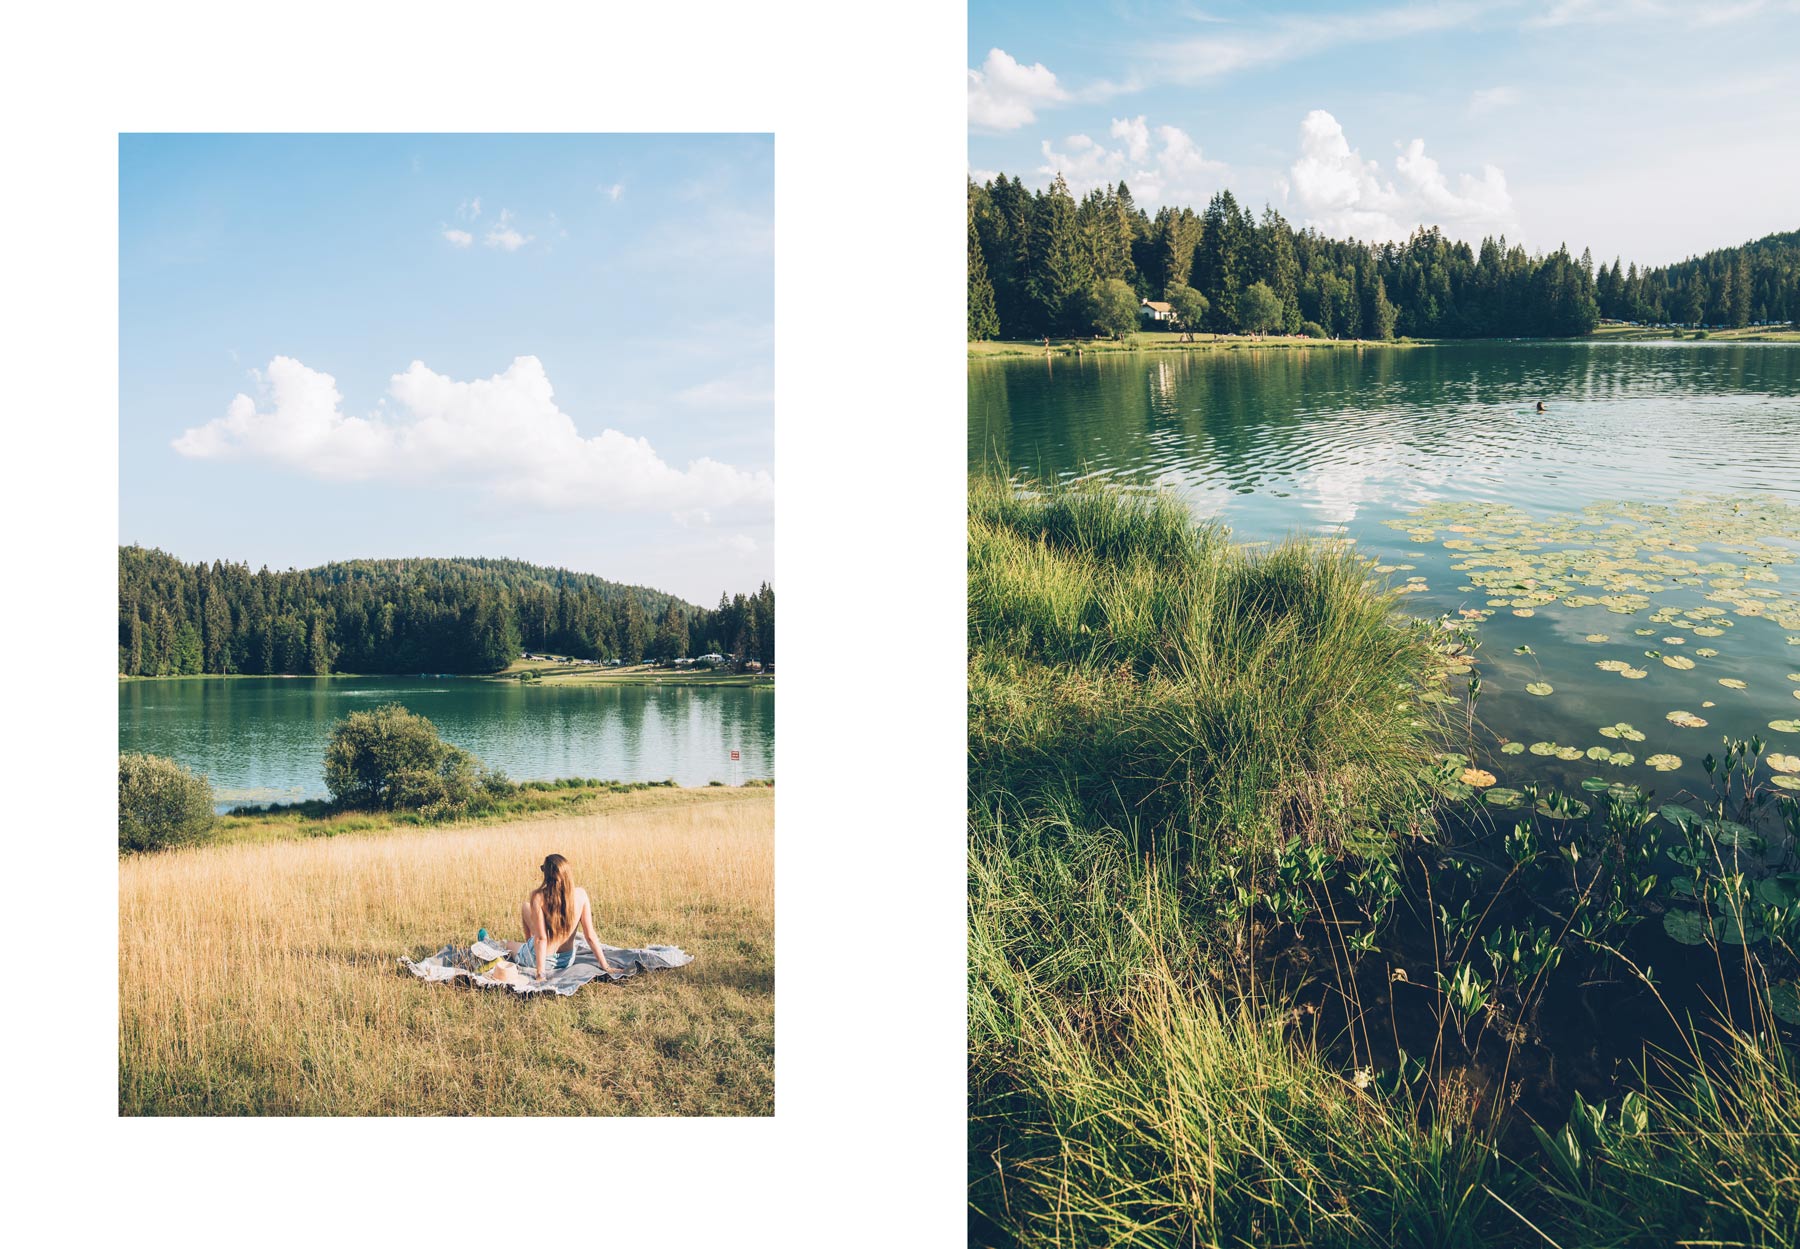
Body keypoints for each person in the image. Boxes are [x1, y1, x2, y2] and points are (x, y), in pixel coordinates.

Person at [497, 853, 615, 981]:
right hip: (567, 960)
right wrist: (606, 966)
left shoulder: (538, 897)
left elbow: (541, 939)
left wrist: (540, 974)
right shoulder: (581, 895)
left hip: (541, 959)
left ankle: (522, 946)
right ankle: (528, 945)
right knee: (526, 907)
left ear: (546, 874)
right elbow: (590, 935)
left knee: (507, 944)